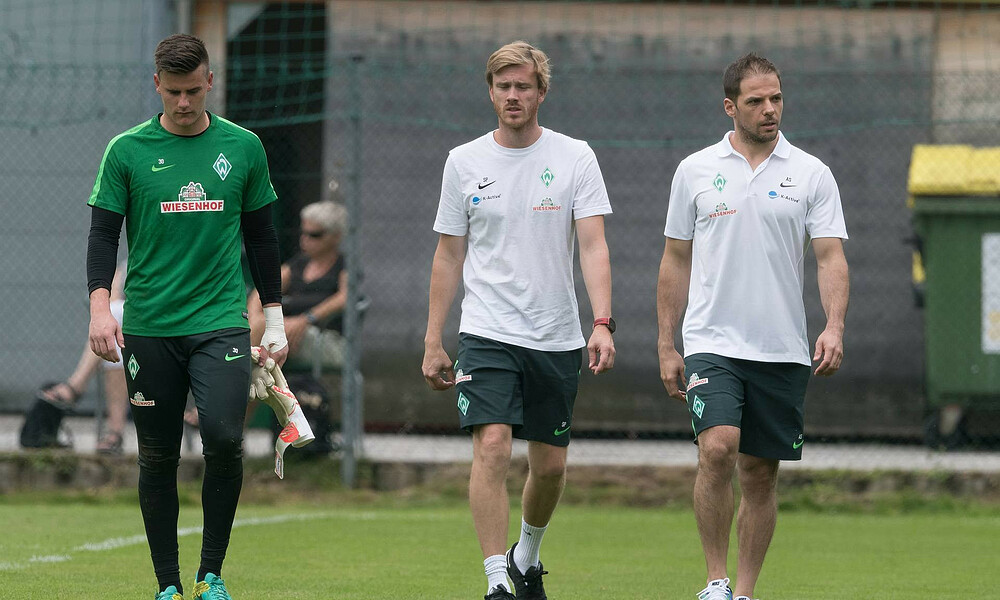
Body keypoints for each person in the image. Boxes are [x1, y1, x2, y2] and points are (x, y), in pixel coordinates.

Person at [86, 34, 288, 600]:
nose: (183, 102)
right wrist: (102, 308)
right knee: (157, 453)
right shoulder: (126, 149)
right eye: (173, 92)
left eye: (193, 91)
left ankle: (212, 574)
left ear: (210, 82)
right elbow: (103, 237)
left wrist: (272, 318)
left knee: (224, 438)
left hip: (220, 319)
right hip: (149, 324)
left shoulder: (243, 147)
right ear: (157, 84)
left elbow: (262, 237)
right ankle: (169, 585)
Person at [422, 41, 616, 600]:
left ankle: (525, 554)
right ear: (490, 91)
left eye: (524, 86)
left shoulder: (575, 156)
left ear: (541, 92)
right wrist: (435, 338)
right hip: (485, 331)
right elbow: (448, 254)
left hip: (555, 335)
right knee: (493, 446)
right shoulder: (464, 161)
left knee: (550, 467)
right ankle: (495, 580)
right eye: (504, 86)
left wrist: (601, 322)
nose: (513, 95)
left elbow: (594, 246)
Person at [656, 53, 849, 600]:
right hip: (712, 343)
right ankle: (715, 582)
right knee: (718, 447)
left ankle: (743, 592)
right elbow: (675, 259)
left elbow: (831, 256)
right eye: (756, 101)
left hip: (782, 349)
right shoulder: (694, 170)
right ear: (729, 106)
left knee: (760, 474)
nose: (770, 110)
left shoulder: (811, 172)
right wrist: (667, 343)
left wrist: (833, 326)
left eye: (777, 99)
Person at [33, 263, 130, 453]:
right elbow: (115, 288)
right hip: (133, 328)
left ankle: (75, 388)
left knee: (115, 318)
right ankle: (115, 434)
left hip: (172, 321)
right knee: (114, 321)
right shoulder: (138, 250)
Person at [247, 198, 349, 371]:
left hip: (325, 339)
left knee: (260, 331)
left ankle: (245, 395)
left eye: (314, 235)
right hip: (286, 332)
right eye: (303, 233)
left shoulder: (343, 266)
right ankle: (248, 393)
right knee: (256, 326)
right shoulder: (298, 264)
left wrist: (306, 319)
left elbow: (345, 297)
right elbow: (264, 287)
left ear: (336, 236)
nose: (305, 239)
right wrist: (255, 316)